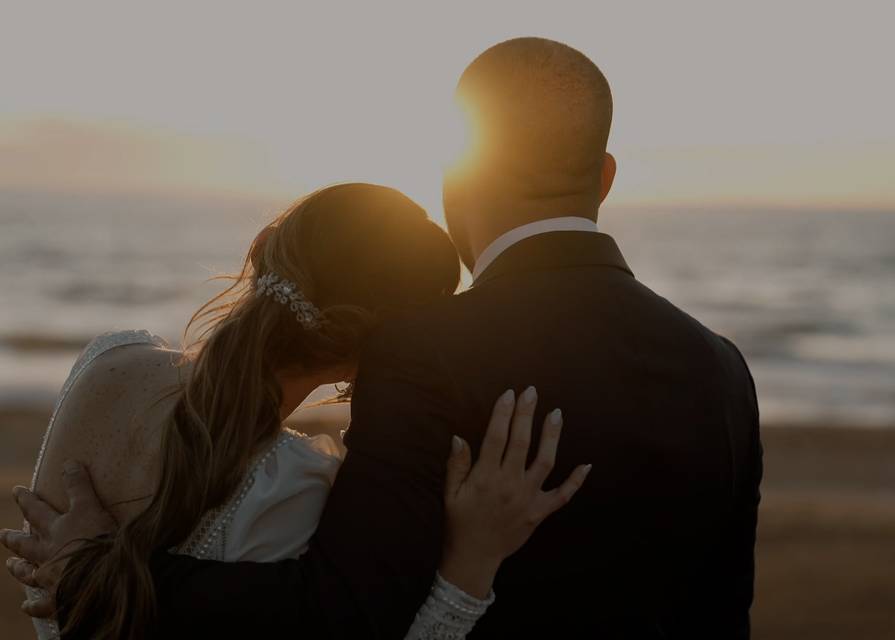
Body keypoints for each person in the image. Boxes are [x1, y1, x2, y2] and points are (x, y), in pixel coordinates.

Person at [5, 37, 762, 638]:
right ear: (603, 177)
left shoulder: (427, 348)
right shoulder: (724, 371)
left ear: (457, 178)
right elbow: (723, 619)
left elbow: (342, 612)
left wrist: (99, 569)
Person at [1, 183, 590, 639]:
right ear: (381, 346)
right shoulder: (289, 487)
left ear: (267, 251)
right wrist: (473, 558)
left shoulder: (108, 359)